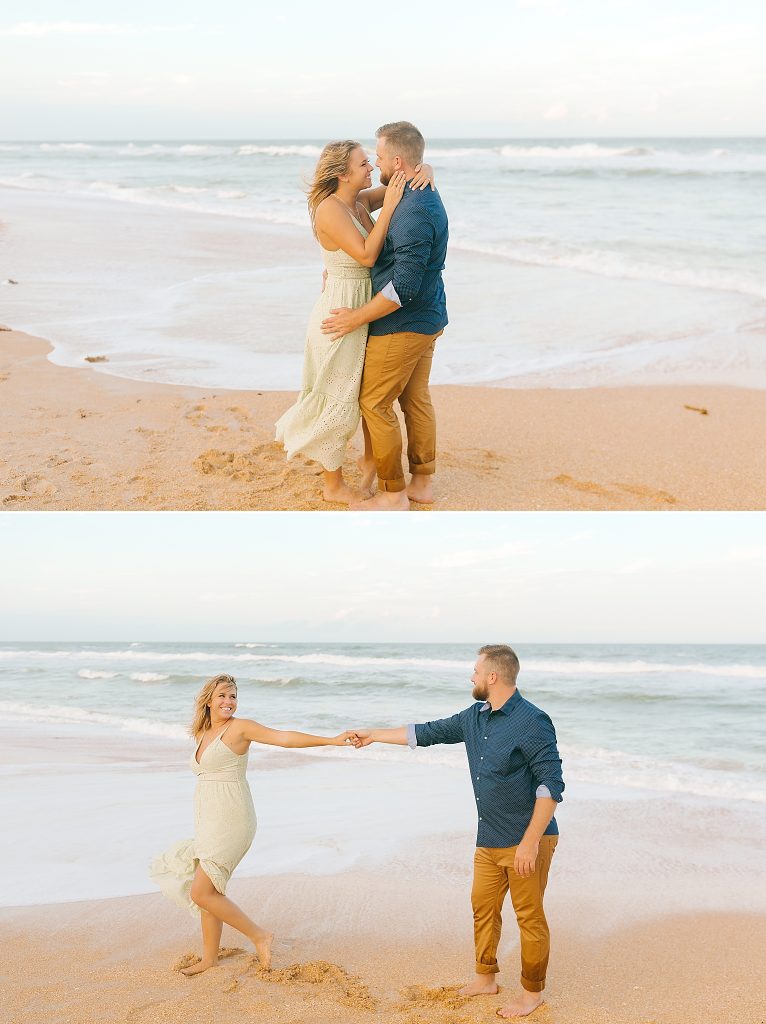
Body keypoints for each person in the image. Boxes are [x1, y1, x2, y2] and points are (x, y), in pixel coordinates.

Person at [351, 645, 564, 1018]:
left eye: (476, 671)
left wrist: (529, 845)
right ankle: (486, 978)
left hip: (529, 838)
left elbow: (551, 786)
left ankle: (532, 994)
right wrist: (372, 735)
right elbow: (427, 732)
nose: (472, 677)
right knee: (483, 908)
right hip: (490, 837)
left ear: (492, 676)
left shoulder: (533, 721)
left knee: (529, 916)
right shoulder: (475, 717)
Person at [150, 673, 359, 976]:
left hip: (231, 818)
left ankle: (260, 936)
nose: (229, 702)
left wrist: (331, 740)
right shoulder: (203, 732)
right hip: (209, 818)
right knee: (209, 889)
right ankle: (210, 957)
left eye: (233, 696)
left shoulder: (240, 728)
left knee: (201, 892)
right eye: (223, 695)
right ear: (208, 700)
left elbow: (284, 738)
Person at [275, 140, 434, 503]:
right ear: (343, 174)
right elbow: (365, 255)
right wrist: (391, 207)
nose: (371, 169)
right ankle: (333, 485)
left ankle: (368, 460)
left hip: (363, 307)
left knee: (362, 392)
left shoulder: (359, 202)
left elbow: (401, 180)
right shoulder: (330, 209)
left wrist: (426, 170)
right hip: (341, 312)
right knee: (338, 395)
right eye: (364, 164)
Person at [321, 121, 449, 511]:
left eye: (377, 158)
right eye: (367, 161)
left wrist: (356, 317)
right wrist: (423, 168)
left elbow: (402, 288)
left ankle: (393, 493)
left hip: (404, 322)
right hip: (429, 314)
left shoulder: (411, 208)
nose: (374, 165)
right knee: (415, 398)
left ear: (397, 160)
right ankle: (421, 483)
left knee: (374, 403)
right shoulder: (415, 188)